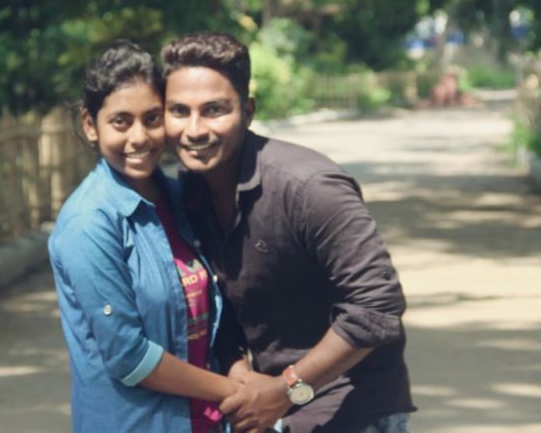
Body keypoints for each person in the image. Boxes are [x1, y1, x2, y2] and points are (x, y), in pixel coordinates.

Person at [161, 32, 416, 433]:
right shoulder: (191, 190)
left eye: (214, 110)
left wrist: (286, 389)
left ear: (247, 111)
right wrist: (238, 372)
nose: (194, 129)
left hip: (352, 410)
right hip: (274, 410)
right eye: (179, 111)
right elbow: (219, 299)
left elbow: (377, 307)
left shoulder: (309, 187)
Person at [48, 40, 241, 433]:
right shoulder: (89, 223)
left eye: (152, 118)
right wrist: (236, 392)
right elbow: (128, 356)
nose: (139, 138)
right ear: (90, 125)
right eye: (121, 121)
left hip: (203, 421)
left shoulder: (180, 197)